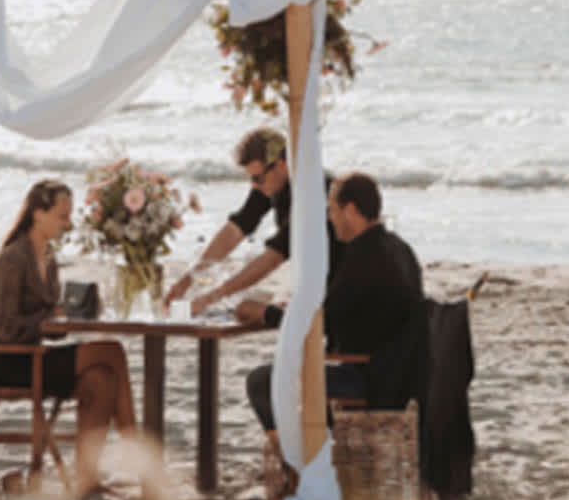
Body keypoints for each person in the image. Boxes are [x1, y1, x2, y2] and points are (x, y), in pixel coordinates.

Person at [0, 179, 137, 499]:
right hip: (10, 362)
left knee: (102, 379)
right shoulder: (13, 259)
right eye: (62, 215)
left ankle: (87, 479)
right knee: (112, 350)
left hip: (36, 356)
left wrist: (69, 318)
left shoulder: (48, 257)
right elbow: (4, 327)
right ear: (38, 214)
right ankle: (136, 446)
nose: (67, 223)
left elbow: (48, 321)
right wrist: (48, 321)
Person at [244, 171, 429, 442]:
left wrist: (264, 312)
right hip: (404, 374)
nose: (329, 219)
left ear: (350, 210)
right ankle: (324, 453)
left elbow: (318, 325)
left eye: (331, 210)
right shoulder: (400, 249)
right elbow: (349, 309)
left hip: (373, 378)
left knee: (261, 380)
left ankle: (290, 460)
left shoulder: (362, 257)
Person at [165, 127, 340, 317]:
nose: (254, 185)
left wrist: (212, 297)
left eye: (258, 178)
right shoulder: (274, 183)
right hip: (317, 288)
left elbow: (274, 256)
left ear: (281, 165)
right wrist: (188, 279)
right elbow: (236, 229)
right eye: (250, 179)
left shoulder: (309, 191)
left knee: (245, 308)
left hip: (343, 292)